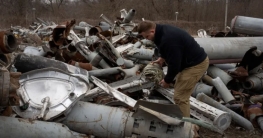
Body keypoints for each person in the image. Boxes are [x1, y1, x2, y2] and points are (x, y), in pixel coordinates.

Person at [137, 20, 209, 117]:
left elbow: (175, 65)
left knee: (180, 97)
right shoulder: (161, 31)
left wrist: (167, 81)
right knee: (180, 91)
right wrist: (162, 58)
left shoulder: (168, 39)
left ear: (152, 31)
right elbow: (165, 48)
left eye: (147, 37)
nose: (147, 39)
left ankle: (186, 128)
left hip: (196, 65)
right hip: (189, 62)